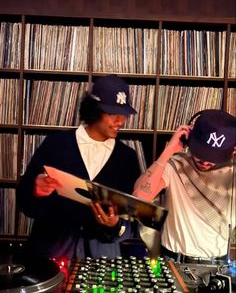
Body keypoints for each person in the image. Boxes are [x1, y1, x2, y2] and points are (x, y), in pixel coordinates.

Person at [17, 75, 141, 260]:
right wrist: (35, 190)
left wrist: (115, 225)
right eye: (112, 113)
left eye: (123, 114)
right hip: (50, 255)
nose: (120, 121)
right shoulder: (55, 145)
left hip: (102, 261)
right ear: (93, 109)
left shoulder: (127, 158)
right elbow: (26, 205)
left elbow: (134, 222)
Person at [133, 109, 236, 264]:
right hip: (173, 261)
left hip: (217, 266)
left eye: (214, 156)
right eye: (201, 152)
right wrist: (169, 150)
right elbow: (139, 198)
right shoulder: (175, 165)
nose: (205, 161)